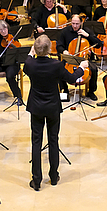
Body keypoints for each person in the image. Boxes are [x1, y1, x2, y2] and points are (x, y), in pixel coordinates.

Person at [25, 35, 86, 191]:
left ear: (35, 48)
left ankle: (36, 180)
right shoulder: (56, 65)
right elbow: (72, 78)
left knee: (36, 142)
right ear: (50, 49)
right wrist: (82, 67)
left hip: (36, 107)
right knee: (53, 141)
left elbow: (29, 60)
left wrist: (31, 53)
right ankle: (53, 176)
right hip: (52, 107)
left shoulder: (29, 64)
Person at [57, 14, 102, 100]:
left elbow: (98, 45)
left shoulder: (87, 31)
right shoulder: (65, 31)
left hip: (83, 59)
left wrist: (88, 36)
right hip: (70, 58)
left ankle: (91, 91)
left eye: (77, 24)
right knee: (59, 68)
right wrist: (64, 51)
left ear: (81, 22)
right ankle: (65, 90)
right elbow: (59, 46)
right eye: (73, 23)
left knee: (94, 69)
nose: (74, 26)